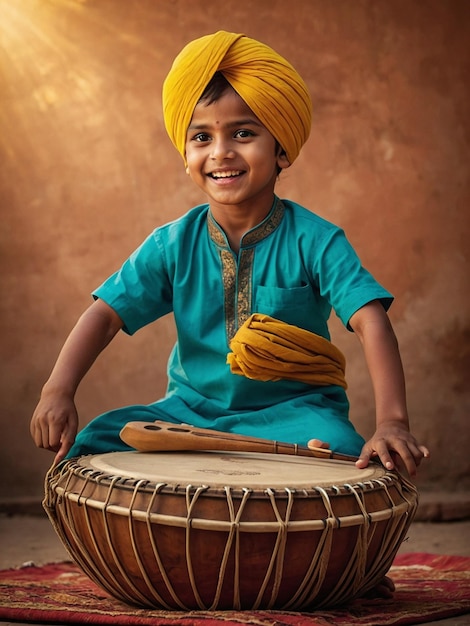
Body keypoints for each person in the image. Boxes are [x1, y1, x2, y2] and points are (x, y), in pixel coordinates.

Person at [31, 31, 429, 482]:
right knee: (98, 441)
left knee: (343, 453)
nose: (221, 152)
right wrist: (57, 390)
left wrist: (393, 421)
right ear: (185, 154)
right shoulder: (171, 244)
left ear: (281, 149)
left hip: (296, 414)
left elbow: (369, 318)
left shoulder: (317, 240)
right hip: (189, 414)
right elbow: (103, 316)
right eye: (201, 136)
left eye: (242, 133)